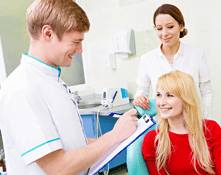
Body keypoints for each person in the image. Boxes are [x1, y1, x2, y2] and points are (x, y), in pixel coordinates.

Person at [0, 0, 137, 174]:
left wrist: (121, 137)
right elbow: (58, 168)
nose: (80, 50)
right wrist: (114, 136)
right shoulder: (23, 89)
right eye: (76, 41)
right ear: (48, 33)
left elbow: (72, 144)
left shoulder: (51, 81)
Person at [142, 70, 221, 175]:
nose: (161, 102)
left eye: (169, 95)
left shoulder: (211, 129)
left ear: (186, 99)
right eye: (159, 95)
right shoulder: (153, 140)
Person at [133, 4, 212, 119]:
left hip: (193, 123)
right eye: (159, 28)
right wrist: (140, 99)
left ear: (181, 26)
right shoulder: (147, 59)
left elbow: (206, 93)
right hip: (163, 126)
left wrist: (207, 121)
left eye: (170, 27)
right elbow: (141, 93)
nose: (164, 33)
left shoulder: (197, 55)